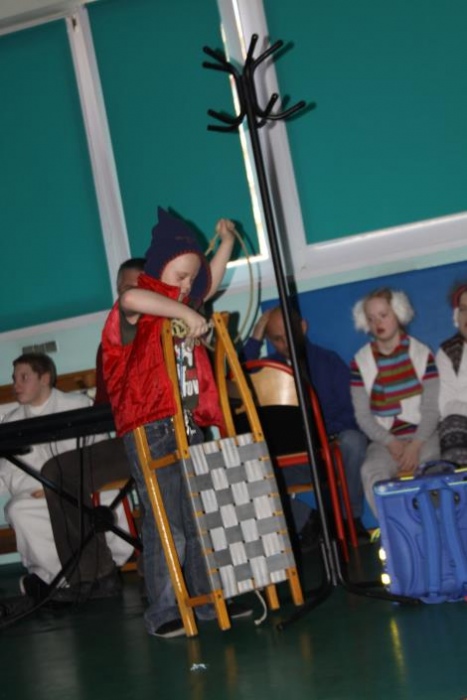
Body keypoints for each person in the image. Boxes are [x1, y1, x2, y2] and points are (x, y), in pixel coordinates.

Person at [102, 206, 249, 639]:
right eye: (180, 275)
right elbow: (130, 299)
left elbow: (208, 282)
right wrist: (184, 313)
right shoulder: (142, 307)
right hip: (150, 427)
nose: (186, 286)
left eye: (190, 279)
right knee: (167, 522)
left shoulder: (184, 302)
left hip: (186, 425)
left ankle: (207, 600)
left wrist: (225, 242)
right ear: (158, 268)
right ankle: (165, 608)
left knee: (199, 517)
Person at [39, 258, 146, 603]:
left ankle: (159, 568)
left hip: (163, 439)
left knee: (158, 470)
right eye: (122, 288)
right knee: (57, 472)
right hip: (126, 442)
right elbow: (104, 405)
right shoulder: (110, 343)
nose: (127, 294)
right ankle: (92, 575)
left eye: (134, 287)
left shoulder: (166, 330)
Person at [0, 353, 128, 597]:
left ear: (45, 378)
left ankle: (103, 567)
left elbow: (98, 452)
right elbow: (10, 472)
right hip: (38, 492)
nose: (16, 385)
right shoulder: (12, 422)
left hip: (83, 488)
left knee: (107, 495)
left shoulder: (78, 405)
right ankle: (57, 577)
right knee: (18, 509)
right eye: (14, 378)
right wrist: (43, 487)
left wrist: (57, 486)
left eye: (24, 377)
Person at [242, 306, 369, 548]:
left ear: (303, 327)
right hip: (293, 459)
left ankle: (350, 519)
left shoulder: (328, 361)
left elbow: (352, 412)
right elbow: (237, 378)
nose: (286, 344)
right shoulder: (267, 369)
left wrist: (324, 434)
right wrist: (256, 336)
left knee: (354, 441)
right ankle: (310, 522)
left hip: (329, 450)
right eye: (277, 339)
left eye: (290, 334)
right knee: (246, 473)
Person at [350, 287, 440, 516]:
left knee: (434, 470)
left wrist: (416, 445)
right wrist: (390, 442)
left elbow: (431, 408)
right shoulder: (360, 362)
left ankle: (435, 525)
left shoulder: (422, 354)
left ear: (398, 314)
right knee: (371, 471)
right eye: (371, 318)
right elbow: (363, 416)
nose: (377, 323)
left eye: (383, 315)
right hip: (384, 441)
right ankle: (395, 529)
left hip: (423, 436)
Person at [436, 282, 467, 464]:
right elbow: (446, 405)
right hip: (461, 422)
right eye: (463, 309)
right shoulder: (448, 352)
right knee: (451, 427)